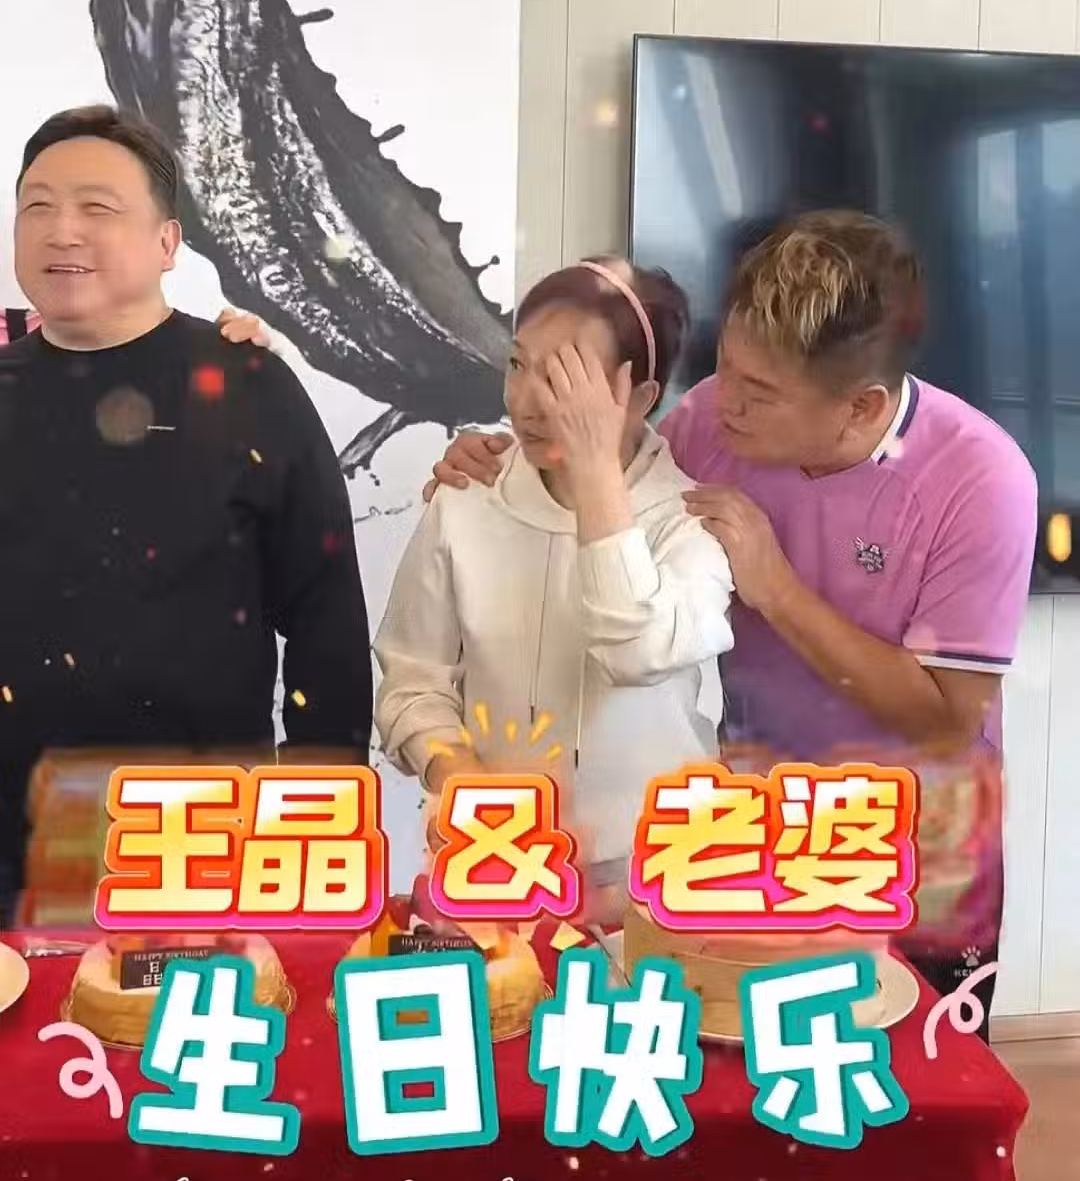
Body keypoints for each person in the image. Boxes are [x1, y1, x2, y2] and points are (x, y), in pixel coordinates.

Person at [426, 211, 1038, 1040]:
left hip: (911, 850)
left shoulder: (979, 479)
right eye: (726, 367)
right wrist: (506, 464)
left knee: (909, 1085)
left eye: (762, 392)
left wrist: (776, 588)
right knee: (746, 1090)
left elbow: (948, 718)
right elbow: (612, 501)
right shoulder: (708, 422)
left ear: (860, 406)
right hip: (742, 835)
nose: (726, 403)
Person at [0, 105, 373, 924]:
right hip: (12, 847)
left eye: (97, 207)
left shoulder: (248, 385)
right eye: (37, 206)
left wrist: (317, 825)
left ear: (167, 243)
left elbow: (326, 623)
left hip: (193, 838)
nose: (62, 230)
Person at [374, 257, 735, 905]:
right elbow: (411, 680)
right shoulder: (468, 496)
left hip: (658, 870)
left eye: (567, 381)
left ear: (640, 397)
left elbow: (636, 652)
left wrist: (595, 471)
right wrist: (459, 775)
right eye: (518, 365)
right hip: (494, 860)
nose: (527, 402)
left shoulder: (690, 520)